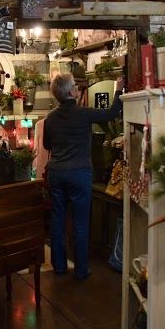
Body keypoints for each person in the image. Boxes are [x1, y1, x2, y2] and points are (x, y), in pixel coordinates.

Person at [43, 73, 124, 279]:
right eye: (76, 87)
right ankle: (80, 270)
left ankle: (59, 267)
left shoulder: (50, 118)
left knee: (58, 221)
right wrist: (118, 90)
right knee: (80, 223)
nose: (78, 89)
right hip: (79, 172)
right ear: (71, 92)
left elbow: (47, 145)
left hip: (56, 173)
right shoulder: (83, 113)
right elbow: (112, 112)